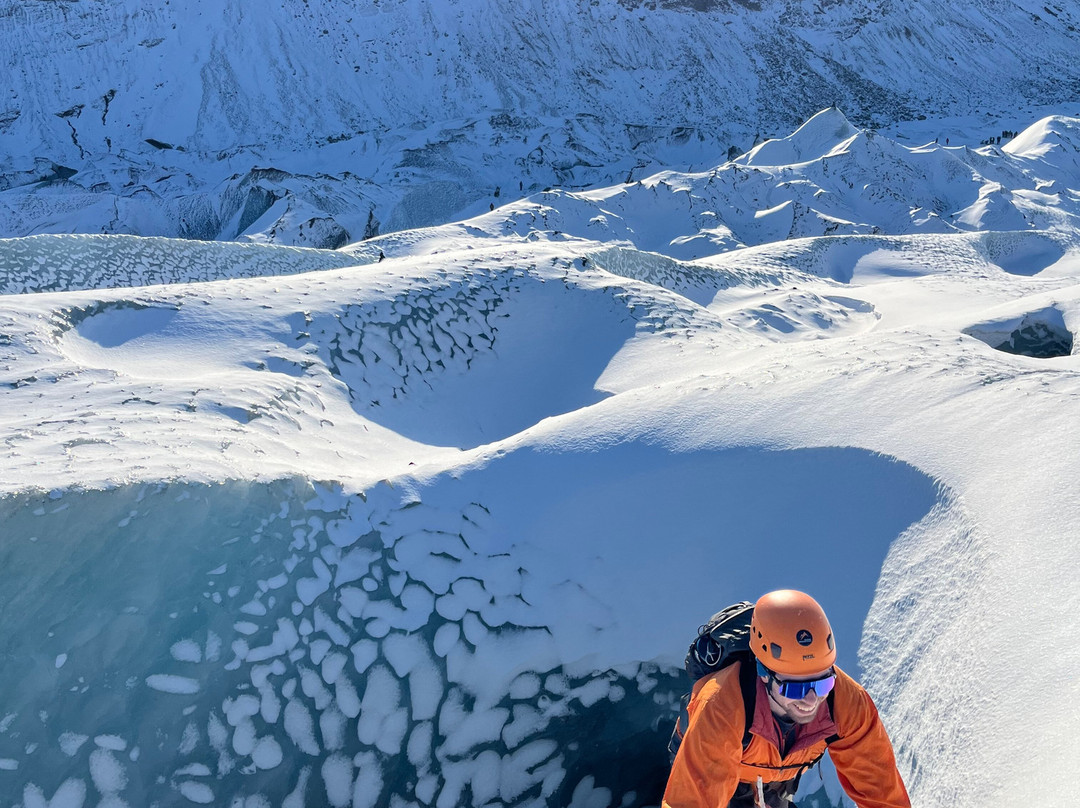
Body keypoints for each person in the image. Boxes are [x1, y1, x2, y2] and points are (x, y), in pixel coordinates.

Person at [662, 590, 910, 808]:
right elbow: (692, 802)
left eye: (822, 683)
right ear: (763, 674)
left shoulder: (846, 702)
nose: (811, 700)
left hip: (776, 776)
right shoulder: (721, 706)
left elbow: (883, 794)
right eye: (794, 689)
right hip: (710, 760)